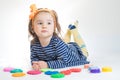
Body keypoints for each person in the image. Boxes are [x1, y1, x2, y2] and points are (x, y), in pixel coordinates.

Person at [28, 4, 89, 70]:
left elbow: (64, 62)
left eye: (49, 23)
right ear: (32, 27)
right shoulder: (34, 44)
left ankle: (74, 29)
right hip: (65, 47)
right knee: (65, 42)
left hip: (76, 52)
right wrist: (35, 64)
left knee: (83, 50)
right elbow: (34, 58)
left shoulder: (57, 43)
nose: (44, 26)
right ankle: (69, 30)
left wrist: (47, 65)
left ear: (54, 26)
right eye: (40, 23)